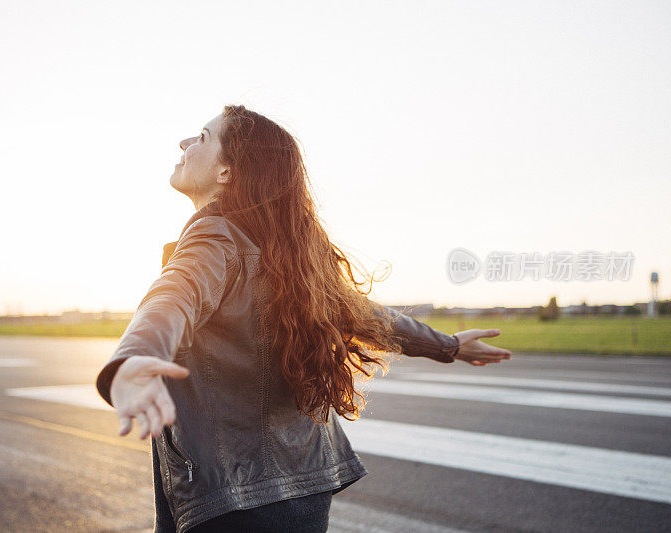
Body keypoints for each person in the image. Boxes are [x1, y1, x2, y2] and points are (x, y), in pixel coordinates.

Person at [95, 104, 512, 533]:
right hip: (302, 486)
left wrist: (134, 357)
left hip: (237, 502)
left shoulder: (212, 236)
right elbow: (364, 313)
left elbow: (171, 297)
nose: (184, 143)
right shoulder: (290, 254)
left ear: (226, 173)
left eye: (202, 137)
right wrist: (450, 346)